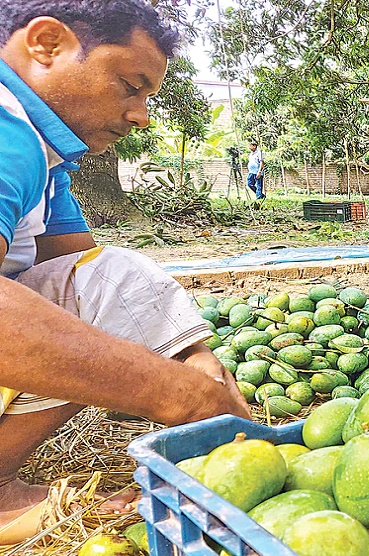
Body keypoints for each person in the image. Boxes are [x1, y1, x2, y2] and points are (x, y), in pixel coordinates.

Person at [0, 1, 249, 544]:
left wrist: (193, 357)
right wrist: (175, 393)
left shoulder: (45, 157)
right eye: (130, 85)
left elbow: (99, 286)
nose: (141, 115)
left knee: (113, 280)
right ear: (46, 43)